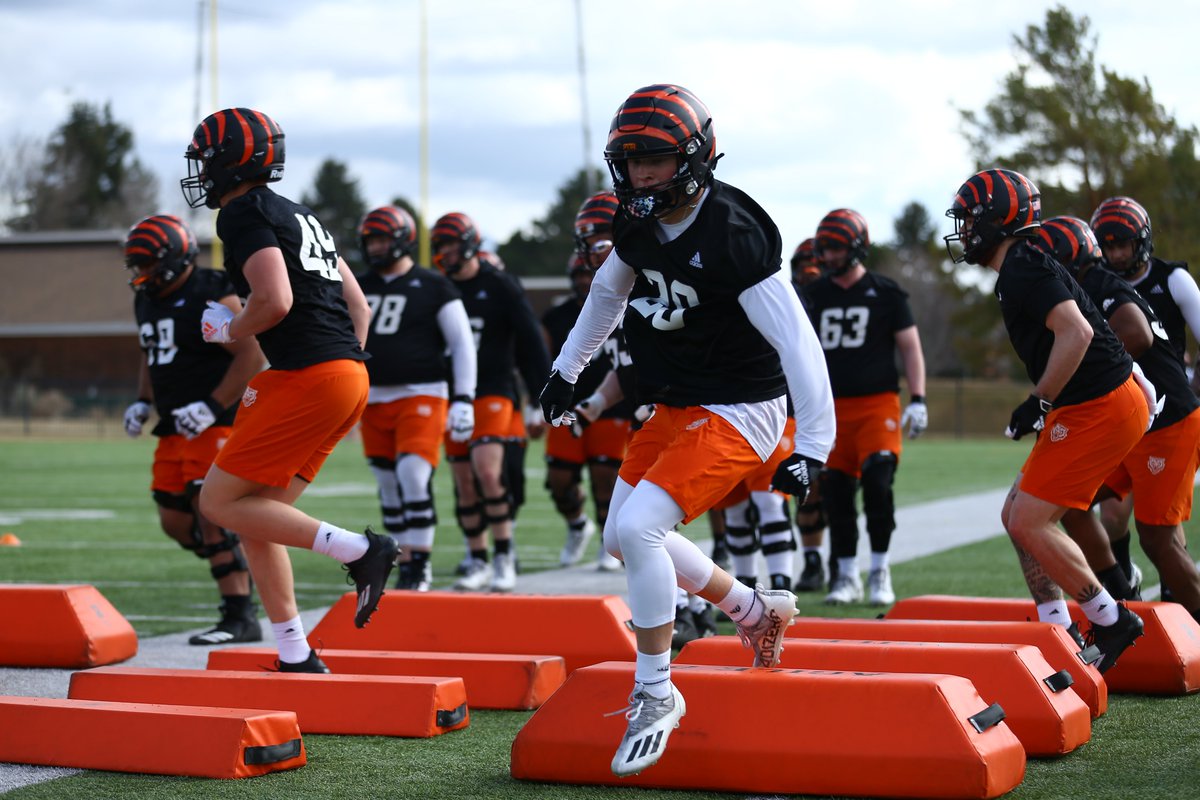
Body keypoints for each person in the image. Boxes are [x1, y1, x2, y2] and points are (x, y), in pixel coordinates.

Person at [539, 84, 835, 777]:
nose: (641, 176)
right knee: (622, 538)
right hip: (677, 402)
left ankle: (655, 690)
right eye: (631, 161)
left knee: (642, 529)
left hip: (740, 405)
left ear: (694, 157)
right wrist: (567, 369)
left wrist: (813, 446)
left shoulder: (732, 232)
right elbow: (607, 293)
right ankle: (753, 608)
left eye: (655, 161)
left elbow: (799, 345)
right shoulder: (638, 223)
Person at [181, 107, 398, 674]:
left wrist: (227, 328)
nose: (203, 172)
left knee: (218, 502)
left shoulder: (243, 212)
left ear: (231, 163)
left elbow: (274, 300)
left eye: (207, 161)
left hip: (308, 375)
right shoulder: (302, 215)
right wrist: (338, 362)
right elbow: (360, 306)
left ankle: (360, 549)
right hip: (347, 375)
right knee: (256, 515)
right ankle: (295, 651)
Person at [944, 167, 1147, 673]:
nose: (965, 231)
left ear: (999, 220)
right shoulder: (1021, 264)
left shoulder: (1022, 267)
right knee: (1016, 515)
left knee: (1031, 521)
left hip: (1100, 404)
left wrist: (1038, 400)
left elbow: (1075, 333)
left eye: (971, 220)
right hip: (1091, 402)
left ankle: (1111, 618)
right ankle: (1057, 626)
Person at [1034, 216, 1200, 624]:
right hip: (1131, 422)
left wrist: (1081, 367)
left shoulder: (1102, 285)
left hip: (1168, 421)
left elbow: (1137, 335)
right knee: (1065, 503)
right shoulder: (1087, 286)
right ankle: (1123, 596)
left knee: (1158, 539)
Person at [122, 213, 266, 645]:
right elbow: (152, 353)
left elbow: (250, 355)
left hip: (214, 421)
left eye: (147, 264)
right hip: (172, 424)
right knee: (174, 520)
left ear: (172, 259)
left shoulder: (209, 292)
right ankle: (239, 565)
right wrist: (143, 400)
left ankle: (240, 613)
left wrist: (211, 405)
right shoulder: (147, 299)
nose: (140, 274)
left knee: (212, 516)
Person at [800, 209, 927, 606]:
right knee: (836, 493)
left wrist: (918, 398)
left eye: (836, 247)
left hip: (877, 406)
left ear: (857, 247)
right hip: (831, 410)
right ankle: (845, 575)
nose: (829, 256)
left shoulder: (886, 293)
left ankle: (879, 569)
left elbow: (910, 347)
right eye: (825, 248)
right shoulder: (814, 295)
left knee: (877, 485)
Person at [355, 205, 477, 591]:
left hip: (422, 393)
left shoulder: (434, 284)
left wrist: (463, 398)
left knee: (412, 473)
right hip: (371, 396)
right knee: (388, 482)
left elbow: (462, 345)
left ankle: (419, 565)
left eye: (382, 239)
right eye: (370, 240)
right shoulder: (359, 285)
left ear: (403, 239)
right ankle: (400, 559)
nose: (375, 247)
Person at [431, 212, 551, 592]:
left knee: (487, 471)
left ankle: (503, 553)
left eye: (452, 244)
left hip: (494, 389)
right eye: (441, 246)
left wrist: (538, 397)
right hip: (451, 395)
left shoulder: (499, 285)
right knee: (464, 481)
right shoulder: (438, 287)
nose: (447, 253)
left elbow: (532, 343)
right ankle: (477, 557)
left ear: (469, 243)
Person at [1090, 196, 1200, 600]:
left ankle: (1177, 600)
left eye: (1124, 244)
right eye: (1109, 245)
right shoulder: (1096, 284)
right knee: (1086, 504)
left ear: (1143, 242)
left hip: (1168, 412)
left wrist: (1192, 390)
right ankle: (1122, 594)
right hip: (1126, 415)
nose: (1117, 254)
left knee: (1157, 531)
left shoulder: (1172, 280)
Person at [541, 193, 635, 569]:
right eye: (584, 264)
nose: (592, 269)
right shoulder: (566, 313)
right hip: (589, 403)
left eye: (601, 247)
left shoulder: (643, 290)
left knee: (622, 497)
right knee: (561, 481)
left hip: (644, 407)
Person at [789, 237, 833, 591]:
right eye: (804, 266)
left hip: (838, 402)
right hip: (795, 406)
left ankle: (839, 562)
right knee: (806, 484)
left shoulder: (840, 299)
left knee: (840, 487)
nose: (810, 273)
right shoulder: (788, 299)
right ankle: (814, 559)